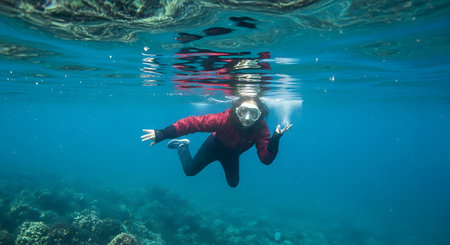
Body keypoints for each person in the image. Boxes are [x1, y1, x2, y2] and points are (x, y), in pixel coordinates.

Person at [141, 96, 292, 187]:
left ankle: (182, 145)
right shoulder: (224, 119)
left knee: (233, 184)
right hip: (213, 146)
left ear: (259, 116)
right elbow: (193, 123)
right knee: (189, 171)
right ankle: (182, 146)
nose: (247, 118)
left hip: (232, 155)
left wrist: (274, 143)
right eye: (243, 111)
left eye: (252, 113)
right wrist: (163, 133)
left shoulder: (261, 129)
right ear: (236, 110)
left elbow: (265, 159)